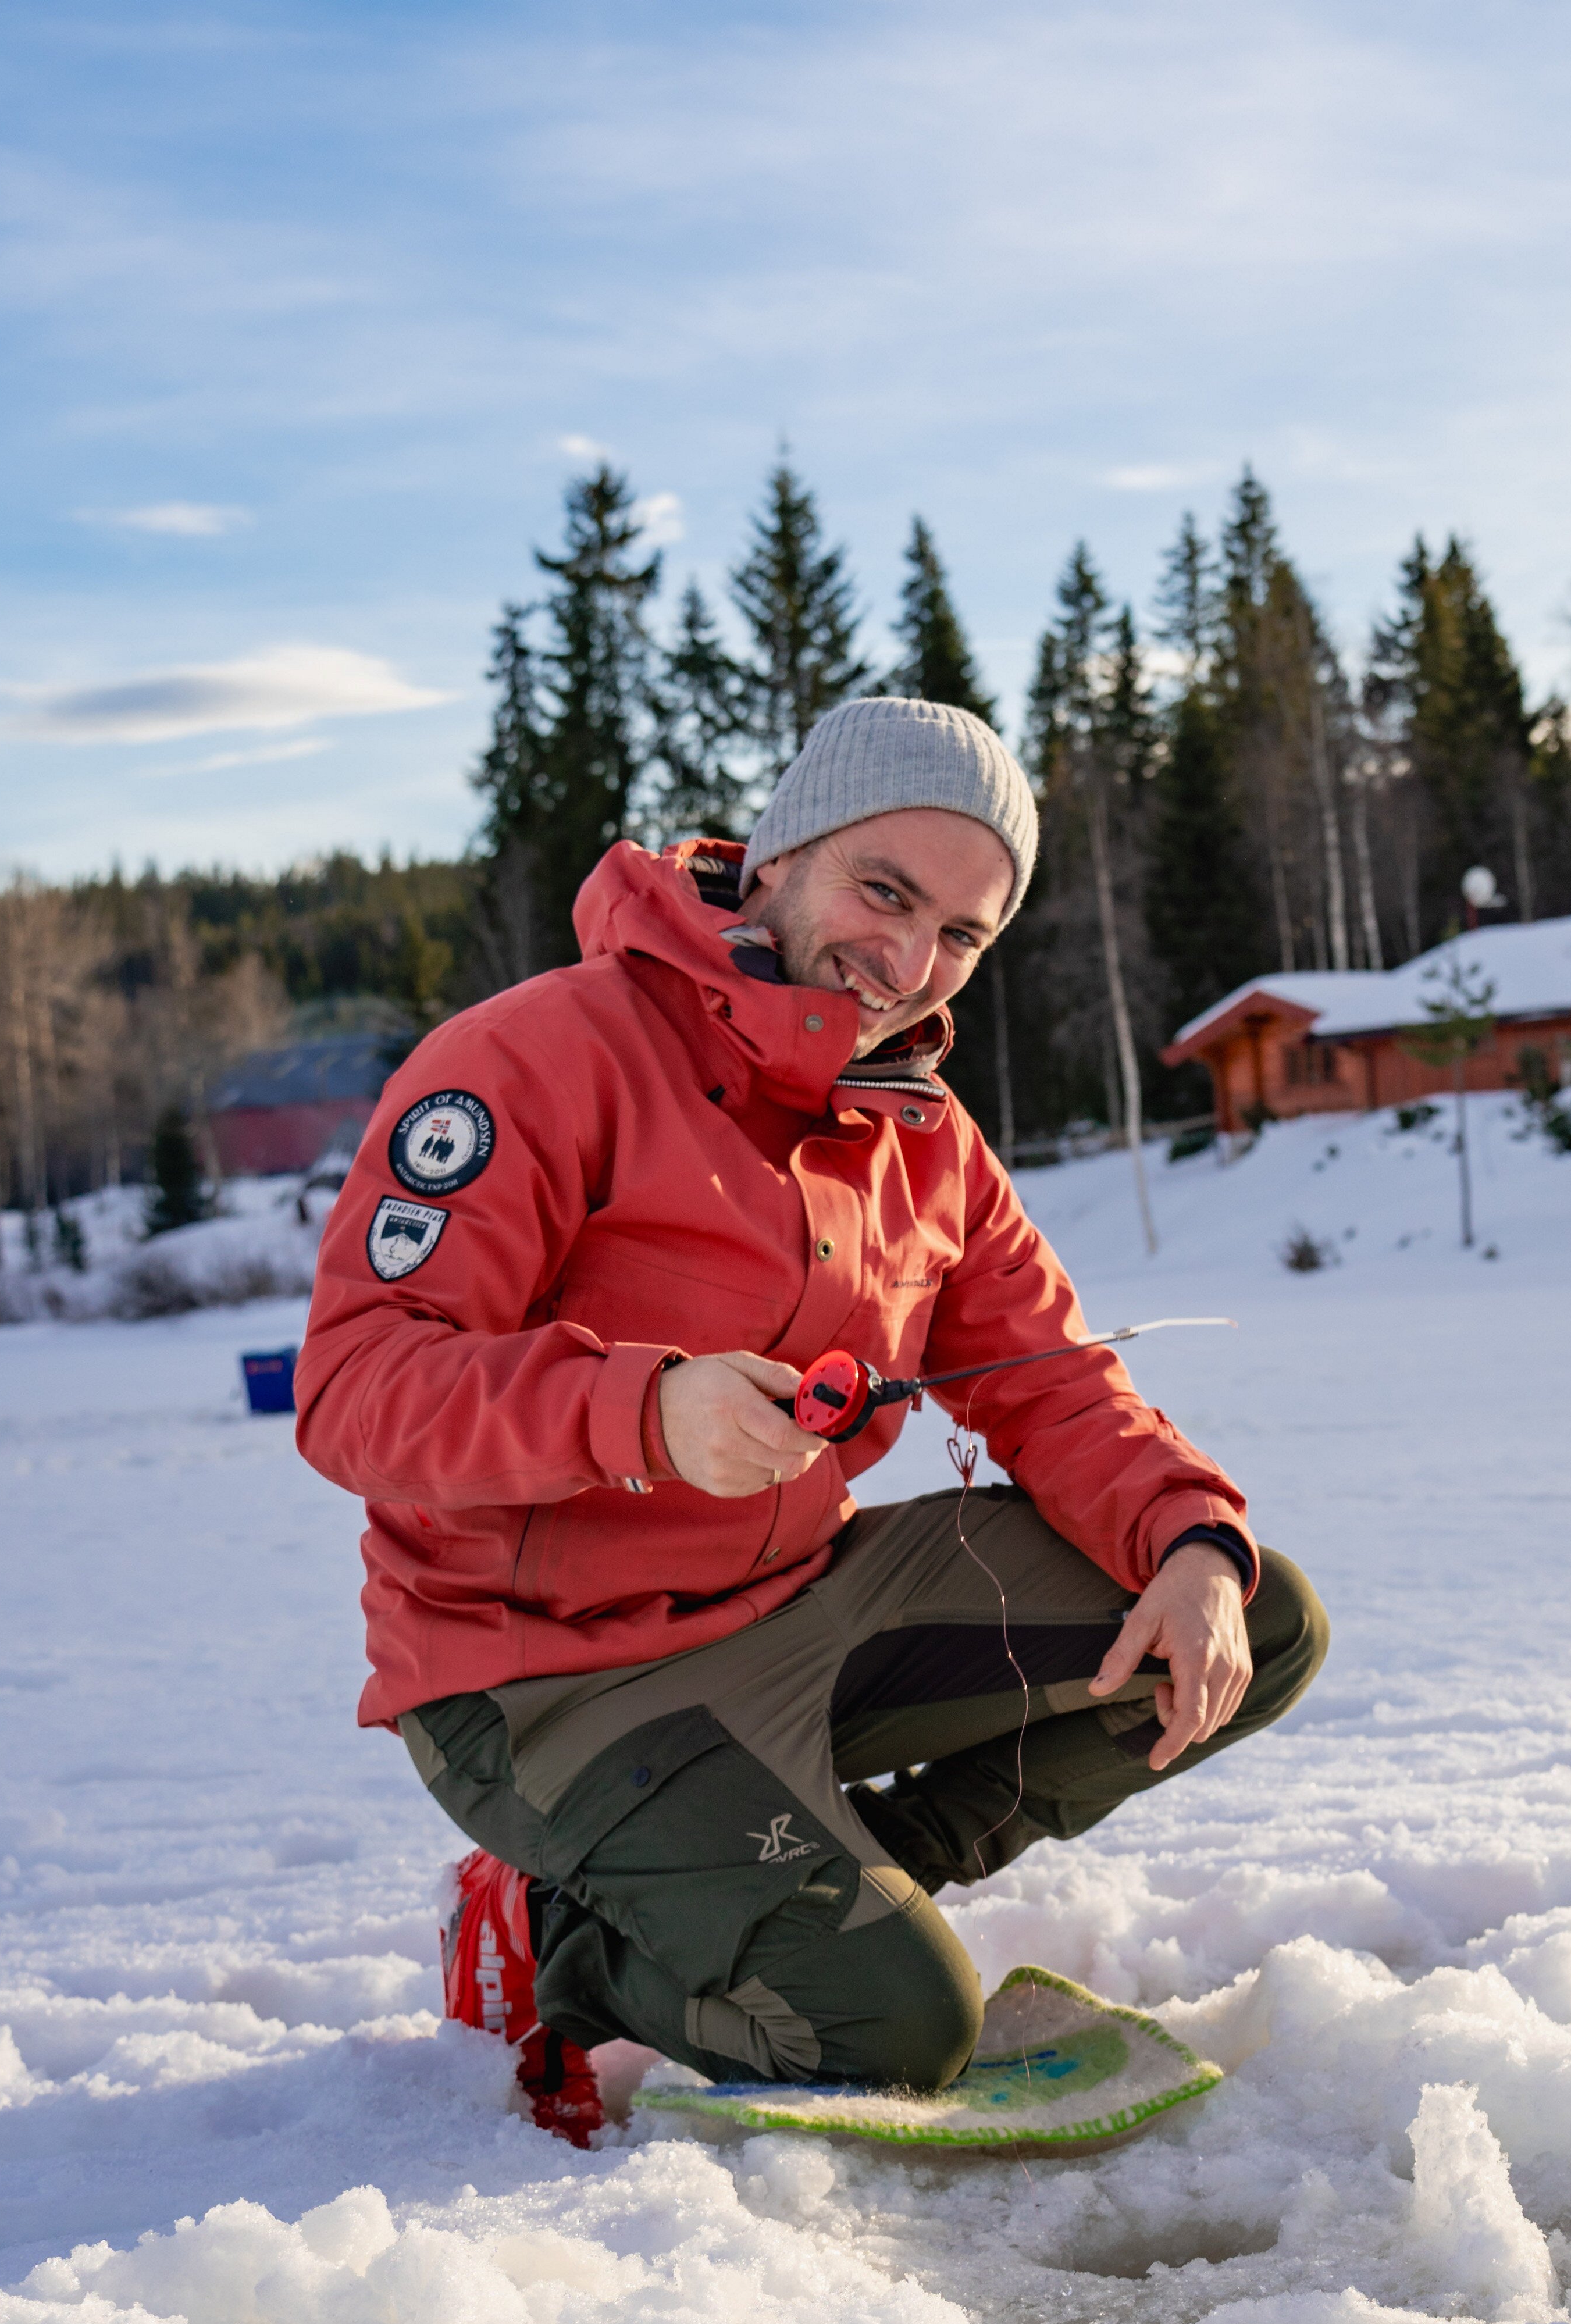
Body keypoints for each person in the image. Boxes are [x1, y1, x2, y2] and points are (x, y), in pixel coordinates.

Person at [298, 697, 1328, 2143]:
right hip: (544, 1683)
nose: (908, 964)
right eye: (883, 893)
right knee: (891, 2031)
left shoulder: (925, 1138)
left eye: (962, 936)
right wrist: (641, 1412)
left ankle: (854, 1874)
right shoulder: (537, 1058)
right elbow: (355, 1388)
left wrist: (1189, 1538)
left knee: (1253, 1614)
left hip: (799, 1604)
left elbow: (1049, 1381)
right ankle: (564, 1940)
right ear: (776, 859)